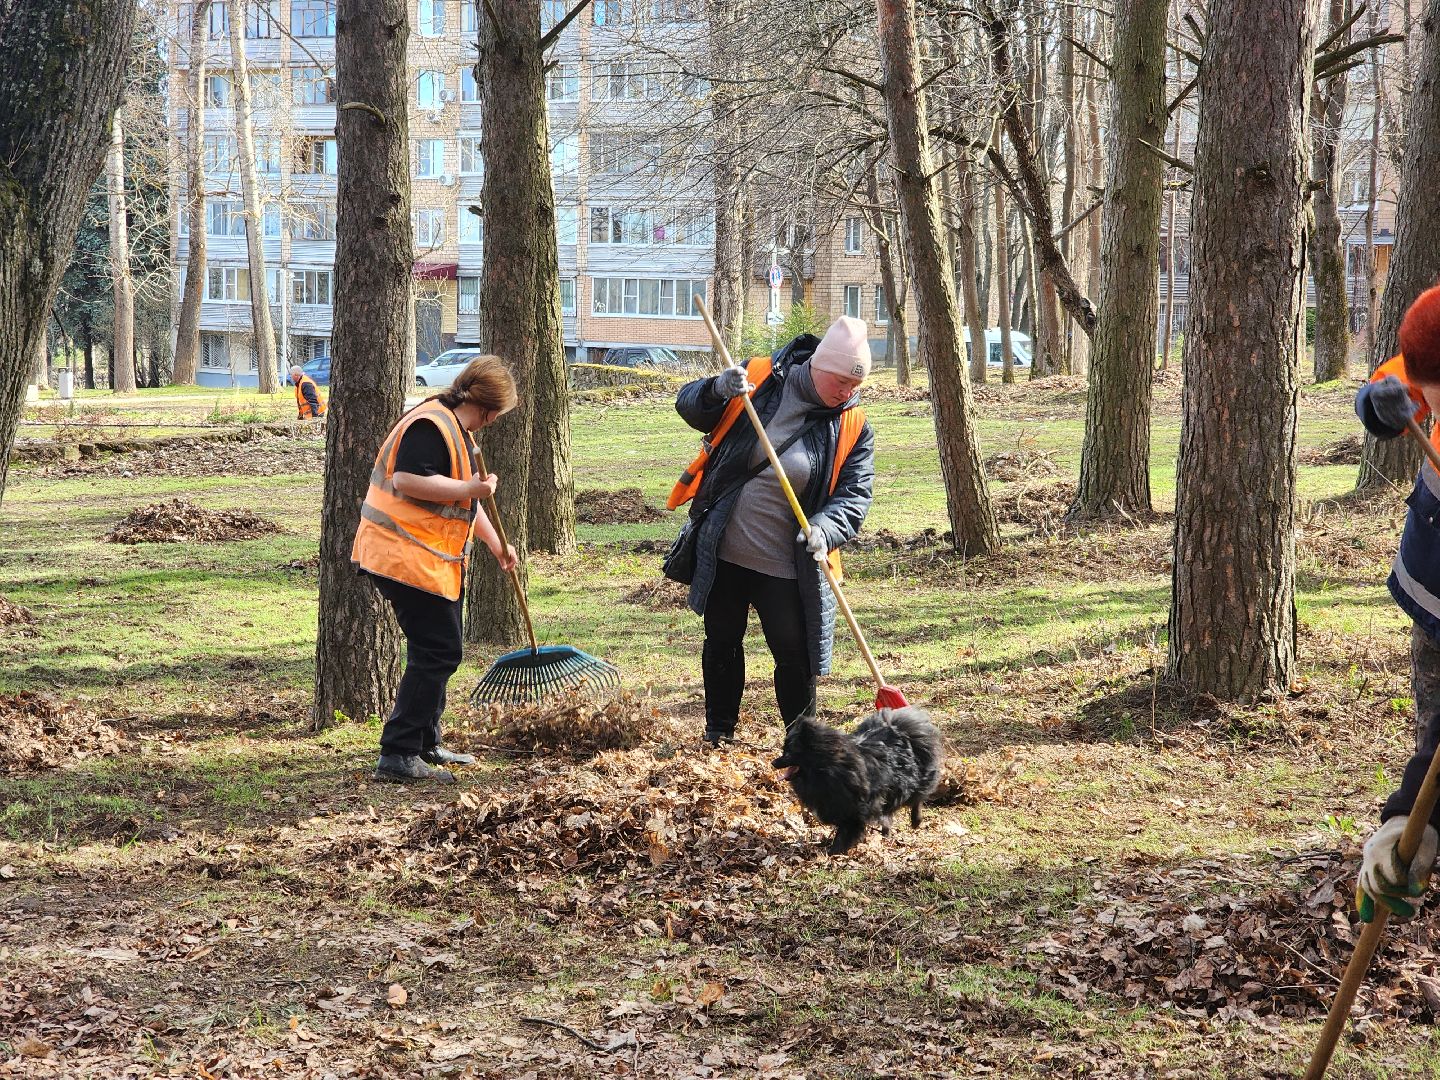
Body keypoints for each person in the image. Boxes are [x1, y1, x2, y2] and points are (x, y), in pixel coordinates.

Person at [670, 315, 875, 746]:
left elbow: (855, 495)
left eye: (855, 385)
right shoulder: (760, 378)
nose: (847, 392)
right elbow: (689, 407)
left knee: (794, 654)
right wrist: (717, 389)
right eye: (841, 381)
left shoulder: (852, 425)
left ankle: (801, 746)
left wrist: (825, 528)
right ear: (817, 365)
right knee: (721, 639)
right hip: (725, 546)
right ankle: (719, 733)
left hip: (787, 562)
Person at [351, 355, 518, 783]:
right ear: (490, 409)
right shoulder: (430, 425)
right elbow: (407, 480)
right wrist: (470, 486)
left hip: (428, 559)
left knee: (437, 648)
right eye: (499, 413)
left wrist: (497, 544)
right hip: (400, 555)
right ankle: (399, 752)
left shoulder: (456, 430)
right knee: (439, 650)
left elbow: (463, 503)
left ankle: (426, 741)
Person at [1353, 284, 1440, 919]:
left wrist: (1408, 816)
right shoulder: (1430, 347)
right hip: (1429, 590)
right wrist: (1381, 403)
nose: (1430, 405)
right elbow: (1388, 385)